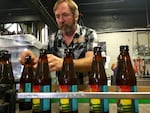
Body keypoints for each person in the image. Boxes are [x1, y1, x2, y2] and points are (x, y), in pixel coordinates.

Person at [19, 0, 97, 84]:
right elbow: (40, 62)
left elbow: (92, 62)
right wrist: (31, 59)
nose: (61, 20)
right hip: (63, 91)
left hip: (86, 90)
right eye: (57, 16)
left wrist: (64, 64)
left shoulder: (89, 34)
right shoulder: (52, 39)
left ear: (76, 16)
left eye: (65, 15)